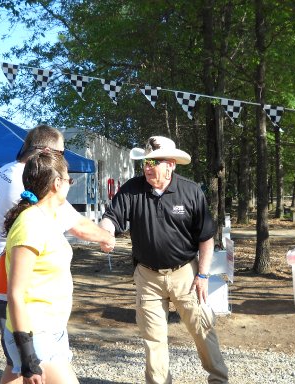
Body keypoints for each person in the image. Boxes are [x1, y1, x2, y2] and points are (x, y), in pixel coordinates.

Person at [0, 124, 114, 384]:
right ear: (45, 153)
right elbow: (78, 225)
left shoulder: (7, 172)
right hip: (26, 298)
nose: (63, 159)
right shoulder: (35, 204)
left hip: (9, 281)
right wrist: (107, 237)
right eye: (61, 153)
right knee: (23, 362)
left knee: (15, 365)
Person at [99, 136, 228, 384]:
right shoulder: (131, 189)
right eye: (146, 162)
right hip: (147, 278)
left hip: (187, 276)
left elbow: (206, 238)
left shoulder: (190, 192)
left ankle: (219, 379)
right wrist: (105, 233)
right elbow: (111, 217)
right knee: (154, 340)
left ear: (171, 164)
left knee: (203, 330)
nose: (148, 167)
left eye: (154, 162)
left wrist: (202, 275)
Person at [3, 150, 80, 383]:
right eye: (69, 179)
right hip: (37, 332)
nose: (70, 184)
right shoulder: (30, 224)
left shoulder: (46, 220)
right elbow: (15, 293)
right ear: (57, 183)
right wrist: (29, 359)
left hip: (52, 328)